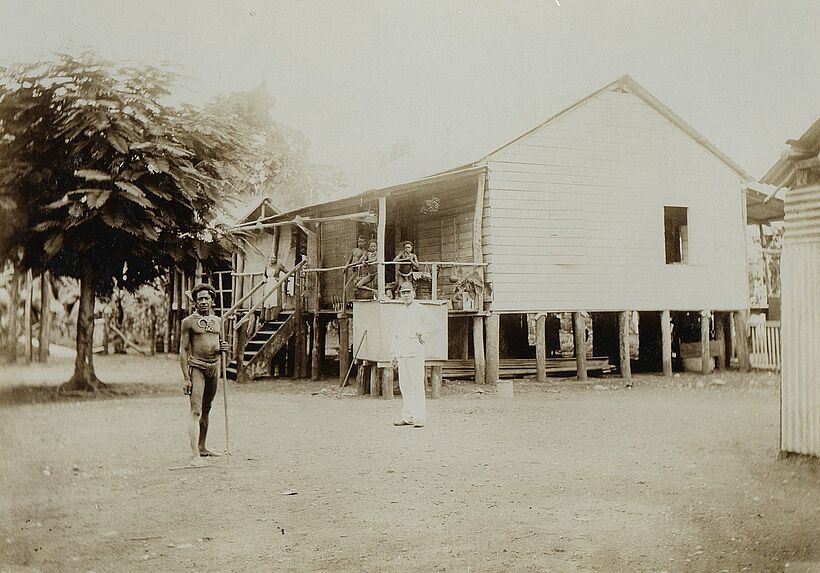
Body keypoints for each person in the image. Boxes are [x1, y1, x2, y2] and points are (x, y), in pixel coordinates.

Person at [180, 283, 230, 467]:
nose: (203, 302)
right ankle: (194, 456)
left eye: (206, 298)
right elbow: (184, 350)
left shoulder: (218, 321)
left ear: (212, 300)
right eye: (199, 298)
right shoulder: (188, 322)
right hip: (197, 369)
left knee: (207, 409)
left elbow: (218, 345)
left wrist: (223, 348)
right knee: (195, 410)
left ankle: (202, 447)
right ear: (194, 301)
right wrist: (186, 377)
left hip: (214, 367)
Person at [391, 281, 427, 428]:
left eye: (408, 292)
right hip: (402, 353)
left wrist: (422, 335)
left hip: (415, 353)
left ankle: (419, 418)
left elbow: (435, 325)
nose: (406, 295)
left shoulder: (421, 310)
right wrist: (393, 354)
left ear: (414, 293)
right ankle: (408, 416)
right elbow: (394, 334)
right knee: (405, 386)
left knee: (417, 385)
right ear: (400, 295)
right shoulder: (399, 312)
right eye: (403, 293)